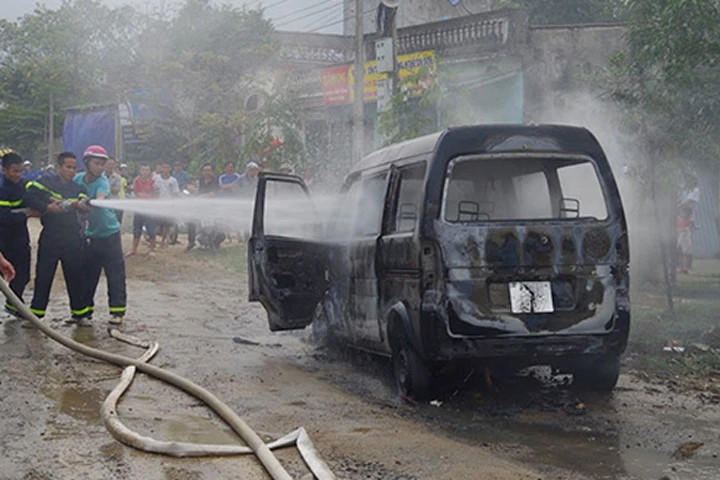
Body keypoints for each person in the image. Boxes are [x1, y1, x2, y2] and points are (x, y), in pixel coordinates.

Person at [25, 152, 91, 323]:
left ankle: (80, 314)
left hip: (72, 237)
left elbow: (84, 204)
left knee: (75, 276)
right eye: (68, 167)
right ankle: (36, 315)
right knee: (44, 276)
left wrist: (84, 206)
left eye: (74, 168)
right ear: (58, 167)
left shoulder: (78, 188)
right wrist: (47, 206)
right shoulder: (45, 182)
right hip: (51, 236)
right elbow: (30, 195)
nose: (71, 171)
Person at [74, 145, 127, 325]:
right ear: (87, 162)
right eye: (96, 163)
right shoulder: (78, 179)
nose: (100, 167)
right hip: (90, 236)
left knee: (115, 274)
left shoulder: (102, 181)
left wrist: (89, 202)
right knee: (88, 274)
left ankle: (117, 311)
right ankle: (85, 311)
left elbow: (100, 198)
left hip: (109, 234)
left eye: (102, 164)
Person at [0, 152, 41, 317]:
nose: (18, 175)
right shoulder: (1, 189)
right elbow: (3, 217)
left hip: (20, 237)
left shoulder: (25, 184)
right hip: (2, 238)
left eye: (20, 171)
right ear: (4, 170)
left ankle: (13, 303)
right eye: (14, 171)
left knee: (22, 274)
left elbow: (35, 197)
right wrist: (27, 214)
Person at [186, 163, 221, 251]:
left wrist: (202, 196)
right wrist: (193, 190)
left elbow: (213, 193)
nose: (206, 172)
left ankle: (212, 242)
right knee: (191, 221)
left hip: (213, 207)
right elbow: (198, 191)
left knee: (213, 225)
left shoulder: (215, 180)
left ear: (212, 172)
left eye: (208, 170)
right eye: (205, 170)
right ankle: (191, 242)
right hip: (201, 206)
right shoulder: (201, 180)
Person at [127, 164, 157, 257]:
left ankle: (152, 250)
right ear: (140, 171)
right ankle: (134, 250)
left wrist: (144, 196)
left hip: (150, 209)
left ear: (149, 172)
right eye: (143, 170)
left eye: (147, 170)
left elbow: (155, 194)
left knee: (151, 230)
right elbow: (137, 193)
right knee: (137, 229)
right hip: (139, 208)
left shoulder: (153, 182)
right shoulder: (136, 181)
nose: (145, 172)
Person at [153, 162, 180, 248]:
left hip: (169, 205)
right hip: (158, 204)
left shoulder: (173, 181)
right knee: (155, 223)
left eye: (167, 168)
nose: (165, 170)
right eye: (163, 167)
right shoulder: (156, 178)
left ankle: (163, 241)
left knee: (166, 224)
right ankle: (152, 241)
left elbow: (175, 193)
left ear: (170, 169)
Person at [677, 176, 700, 274]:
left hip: (689, 221)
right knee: (679, 246)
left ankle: (688, 268)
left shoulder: (695, 190)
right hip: (680, 220)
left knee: (688, 247)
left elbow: (690, 201)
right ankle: (681, 267)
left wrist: (679, 205)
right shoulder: (683, 190)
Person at [105, 157, 124, 223]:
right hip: (103, 204)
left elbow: (116, 190)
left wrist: (105, 186)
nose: (110, 166)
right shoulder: (100, 176)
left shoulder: (117, 177)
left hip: (114, 203)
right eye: (109, 164)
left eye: (112, 164)